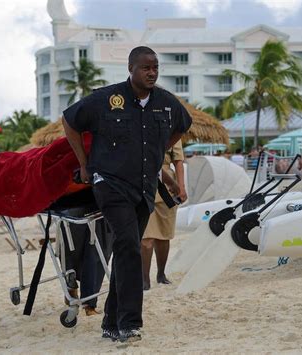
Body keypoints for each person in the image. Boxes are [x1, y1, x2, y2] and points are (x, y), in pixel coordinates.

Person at [62, 46, 192, 342]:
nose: (152, 72)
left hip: (144, 188)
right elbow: (69, 121)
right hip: (110, 184)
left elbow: (183, 125)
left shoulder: (166, 103)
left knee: (125, 250)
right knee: (129, 246)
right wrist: (84, 163)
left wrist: (159, 150)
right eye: (146, 67)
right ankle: (129, 323)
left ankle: (109, 322)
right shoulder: (107, 99)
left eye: (155, 67)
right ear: (131, 69)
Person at [141, 140, 186, 290]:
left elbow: (178, 162)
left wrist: (181, 187)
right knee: (146, 239)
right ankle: (144, 279)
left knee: (164, 235)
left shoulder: (173, 129)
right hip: (143, 181)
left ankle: (161, 274)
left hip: (167, 187)